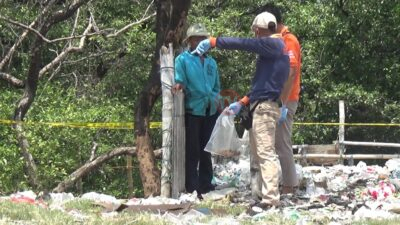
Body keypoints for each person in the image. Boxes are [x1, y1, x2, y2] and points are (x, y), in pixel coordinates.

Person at [193, 12, 290, 209]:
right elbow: (262, 85)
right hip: (262, 104)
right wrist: (243, 102)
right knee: (258, 154)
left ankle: (271, 199)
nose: (254, 35)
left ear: (258, 29)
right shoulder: (278, 50)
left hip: (264, 108)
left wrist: (214, 41)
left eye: (255, 31)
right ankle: (265, 195)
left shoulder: (272, 44)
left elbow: (242, 43)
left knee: (265, 153)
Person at [172, 23, 221, 197]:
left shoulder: (211, 62)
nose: (200, 41)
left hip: (210, 110)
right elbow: (180, 80)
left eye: (203, 38)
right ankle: (192, 185)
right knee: (192, 150)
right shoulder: (183, 60)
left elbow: (216, 86)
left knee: (207, 149)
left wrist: (217, 101)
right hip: (193, 109)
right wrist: (179, 86)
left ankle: (206, 184)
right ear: (190, 41)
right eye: (197, 38)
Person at [264, 4, 302, 195]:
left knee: (282, 142)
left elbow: (291, 71)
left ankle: (289, 185)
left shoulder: (289, 40)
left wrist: (283, 103)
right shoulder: (278, 41)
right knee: (277, 142)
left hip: (286, 99)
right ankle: (288, 183)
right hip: (278, 98)